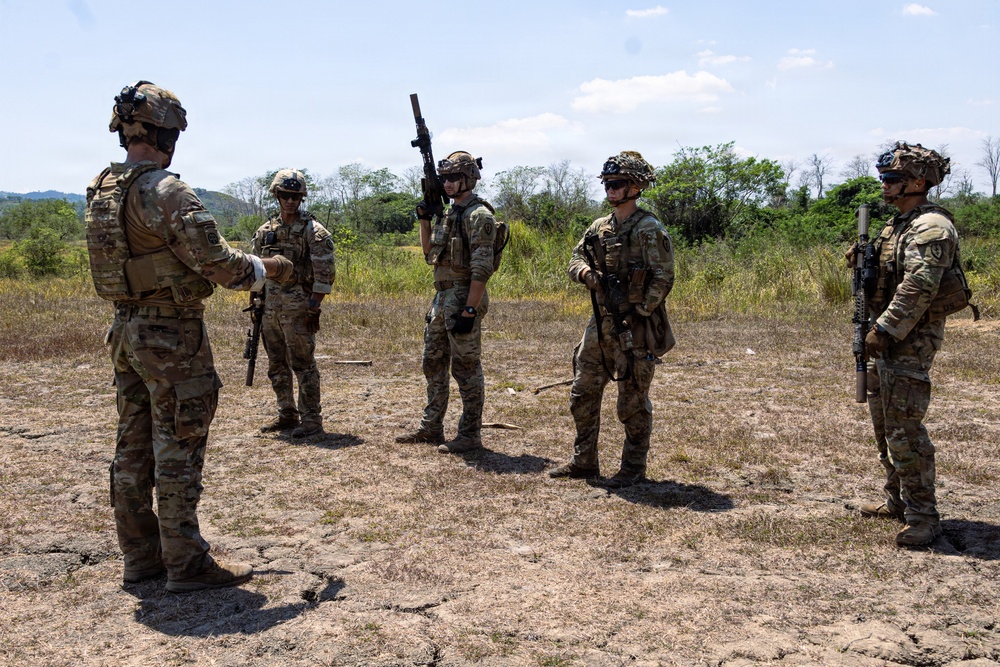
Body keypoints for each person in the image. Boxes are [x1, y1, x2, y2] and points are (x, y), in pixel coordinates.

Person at [86, 81, 296, 592]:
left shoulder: (100, 189)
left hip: (126, 330)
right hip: (170, 338)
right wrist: (271, 267)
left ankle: (140, 558)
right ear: (167, 132)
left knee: (132, 445)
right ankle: (186, 563)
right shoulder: (165, 191)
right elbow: (221, 265)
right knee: (178, 444)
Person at [855, 142, 967, 547]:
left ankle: (924, 515)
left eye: (892, 179)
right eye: (884, 178)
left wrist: (883, 330)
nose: (884, 186)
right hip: (885, 335)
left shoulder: (931, 227)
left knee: (904, 426)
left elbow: (918, 287)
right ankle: (897, 501)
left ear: (918, 182)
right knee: (884, 424)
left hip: (909, 338)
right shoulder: (898, 225)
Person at [549, 151, 675, 488]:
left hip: (634, 324)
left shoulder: (649, 228)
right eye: (607, 183)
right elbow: (574, 259)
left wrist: (641, 311)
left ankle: (632, 469)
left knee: (632, 400)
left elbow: (664, 278)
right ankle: (584, 462)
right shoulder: (599, 227)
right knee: (582, 392)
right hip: (600, 322)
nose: (610, 189)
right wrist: (586, 273)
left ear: (635, 187)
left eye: (617, 184)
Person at [395, 151, 498, 454]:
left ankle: (470, 434)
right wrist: (424, 219)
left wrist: (470, 308)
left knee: (466, 368)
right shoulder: (448, 214)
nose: (448, 184)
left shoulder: (479, 216)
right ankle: (431, 427)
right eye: (445, 179)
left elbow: (482, 267)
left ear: (468, 179)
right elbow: (429, 254)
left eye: (454, 178)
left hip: (463, 296)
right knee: (433, 363)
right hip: (441, 297)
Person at [251, 170, 335, 438]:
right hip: (270, 308)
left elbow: (325, 273)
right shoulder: (265, 231)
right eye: (285, 196)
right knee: (276, 364)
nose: (290, 201)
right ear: (277, 196)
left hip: (299, 307)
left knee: (303, 363)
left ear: (301, 199)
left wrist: (313, 307)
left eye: (295, 196)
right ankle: (286, 413)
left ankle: (311, 419)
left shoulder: (314, 231)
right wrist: (255, 302)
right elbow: (255, 271)